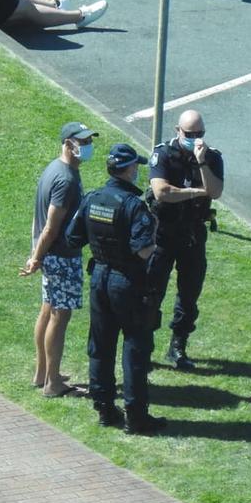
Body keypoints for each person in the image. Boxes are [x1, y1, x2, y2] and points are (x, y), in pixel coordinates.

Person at [65, 144, 167, 435]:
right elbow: (144, 251)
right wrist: (155, 229)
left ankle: (104, 408)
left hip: (99, 278)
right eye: (136, 166)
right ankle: (136, 417)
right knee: (135, 348)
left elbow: (73, 238)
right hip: (127, 283)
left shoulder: (93, 198)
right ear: (129, 169)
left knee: (101, 345)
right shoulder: (134, 205)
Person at [20, 121, 96, 398]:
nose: (87, 147)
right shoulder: (65, 179)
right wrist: (37, 257)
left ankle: (42, 373)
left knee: (47, 310)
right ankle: (53, 383)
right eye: (82, 142)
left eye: (88, 141)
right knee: (58, 317)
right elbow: (51, 226)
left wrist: (36, 255)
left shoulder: (55, 169)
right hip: (61, 256)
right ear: (68, 144)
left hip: (50, 256)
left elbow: (37, 220)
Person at [148, 109, 224, 371]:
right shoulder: (164, 154)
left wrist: (201, 163)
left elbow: (215, 192)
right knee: (152, 291)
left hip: (192, 235)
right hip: (163, 234)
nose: (195, 138)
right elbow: (161, 192)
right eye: (189, 134)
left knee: (189, 294)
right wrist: (196, 192)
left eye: (199, 133)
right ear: (177, 131)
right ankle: (144, 345)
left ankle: (178, 345)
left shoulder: (212, 157)